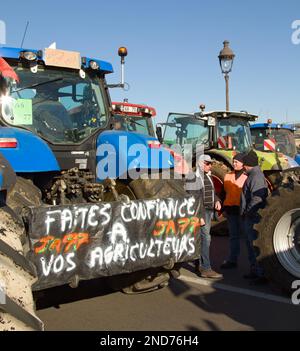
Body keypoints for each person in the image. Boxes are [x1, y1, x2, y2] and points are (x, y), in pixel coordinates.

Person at [240, 150, 268, 283]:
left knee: (253, 246)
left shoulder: (255, 176)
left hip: (252, 217)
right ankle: (254, 270)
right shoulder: (254, 174)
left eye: (244, 164)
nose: (243, 167)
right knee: (250, 245)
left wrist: (247, 212)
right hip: (251, 216)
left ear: (248, 164)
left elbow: (257, 198)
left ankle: (260, 273)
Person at [194, 154, 223, 279]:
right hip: (202, 212)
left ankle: (200, 265)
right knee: (205, 239)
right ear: (200, 164)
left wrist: (216, 200)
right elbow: (195, 199)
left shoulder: (207, 177)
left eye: (210, 163)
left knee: (203, 238)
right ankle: (206, 268)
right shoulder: (194, 178)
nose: (210, 165)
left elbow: (211, 192)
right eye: (207, 163)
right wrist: (199, 216)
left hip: (208, 211)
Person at [220, 153, 248, 269]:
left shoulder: (247, 177)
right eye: (234, 161)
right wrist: (222, 207)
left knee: (248, 237)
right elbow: (223, 193)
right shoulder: (228, 176)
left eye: (236, 161)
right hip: (231, 211)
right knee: (233, 236)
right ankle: (232, 260)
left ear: (242, 163)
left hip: (243, 212)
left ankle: (254, 263)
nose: (234, 163)